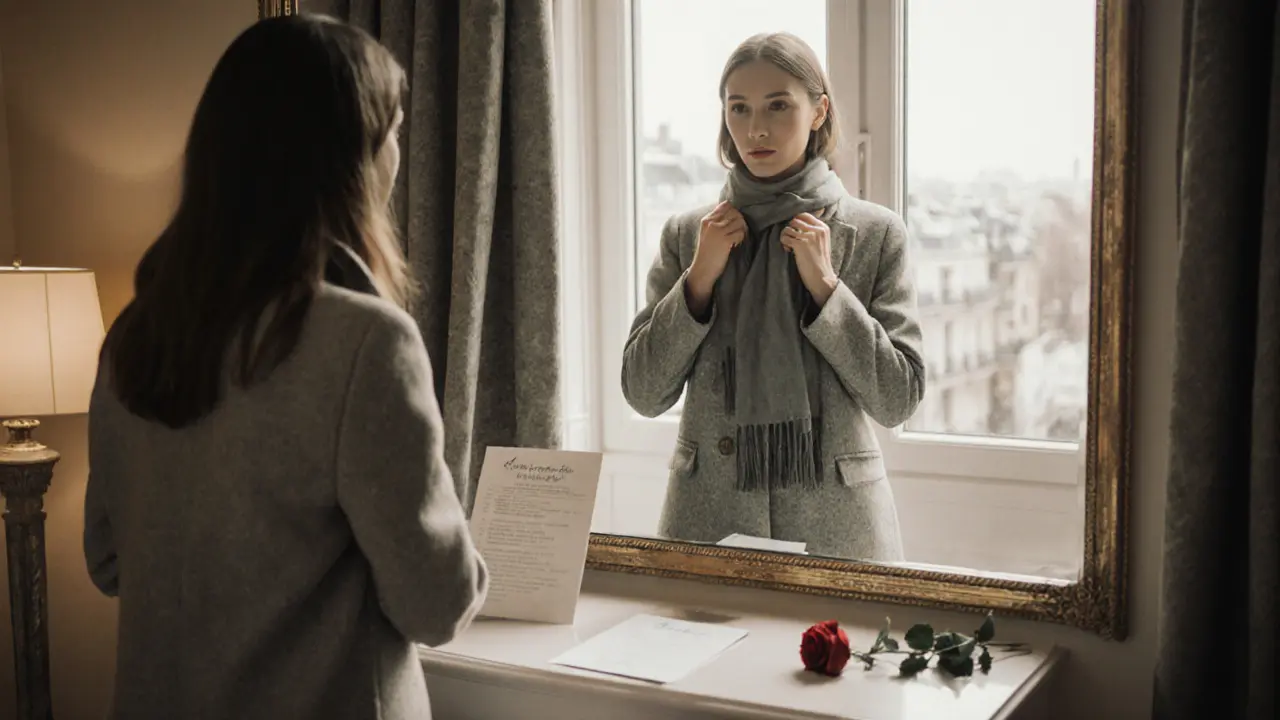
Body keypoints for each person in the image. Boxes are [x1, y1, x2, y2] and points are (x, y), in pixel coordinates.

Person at [84, 14, 487, 719]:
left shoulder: (134, 335)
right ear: (350, 159)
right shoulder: (365, 342)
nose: (396, 156)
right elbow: (435, 604)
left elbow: (108, 562)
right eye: (392, 134)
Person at [621, 32, 925, 561]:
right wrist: (697, 280)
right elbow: (644, 394)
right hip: (707, 529)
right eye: (738, 108)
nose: (755, 128)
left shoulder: (875, 234)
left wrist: (828, 292)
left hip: (841, 538)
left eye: (778, 105)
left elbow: (897, 399)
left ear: (818, 111)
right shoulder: (688, 234)